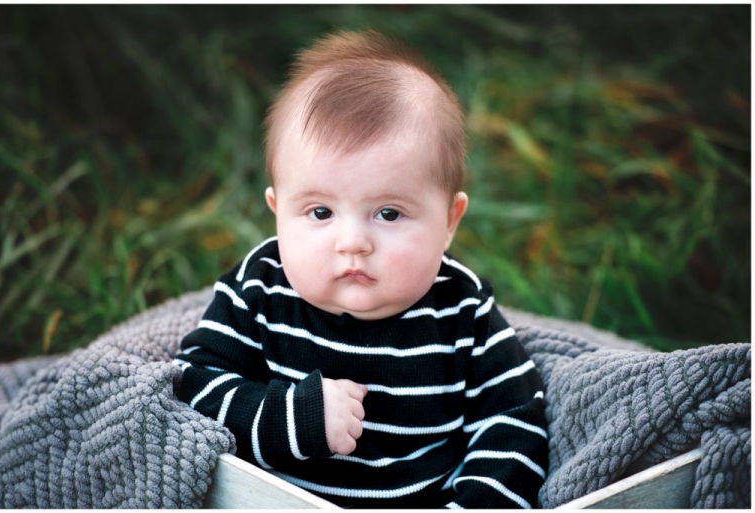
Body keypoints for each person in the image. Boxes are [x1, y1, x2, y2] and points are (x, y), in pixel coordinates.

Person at [174, 29, 547, 509]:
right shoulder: (260, 289)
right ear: (277, 211)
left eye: (389, 213)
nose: (352, 243)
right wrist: (294, 416)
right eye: (320, 213)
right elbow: (194, 385)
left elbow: (515, 423)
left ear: (449, 222)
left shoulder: (463, 311)